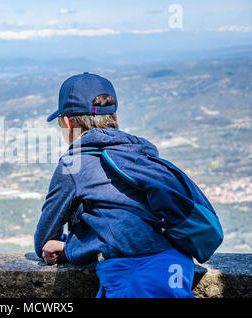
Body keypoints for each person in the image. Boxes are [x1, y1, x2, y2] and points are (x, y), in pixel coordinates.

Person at [34, 72, 195, 298]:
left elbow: (44, 241)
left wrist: (70, 247)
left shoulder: (74, 165)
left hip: (135, 274)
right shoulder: (143, 153)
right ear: (116, 119)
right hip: (178, 265)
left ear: (68, 124)